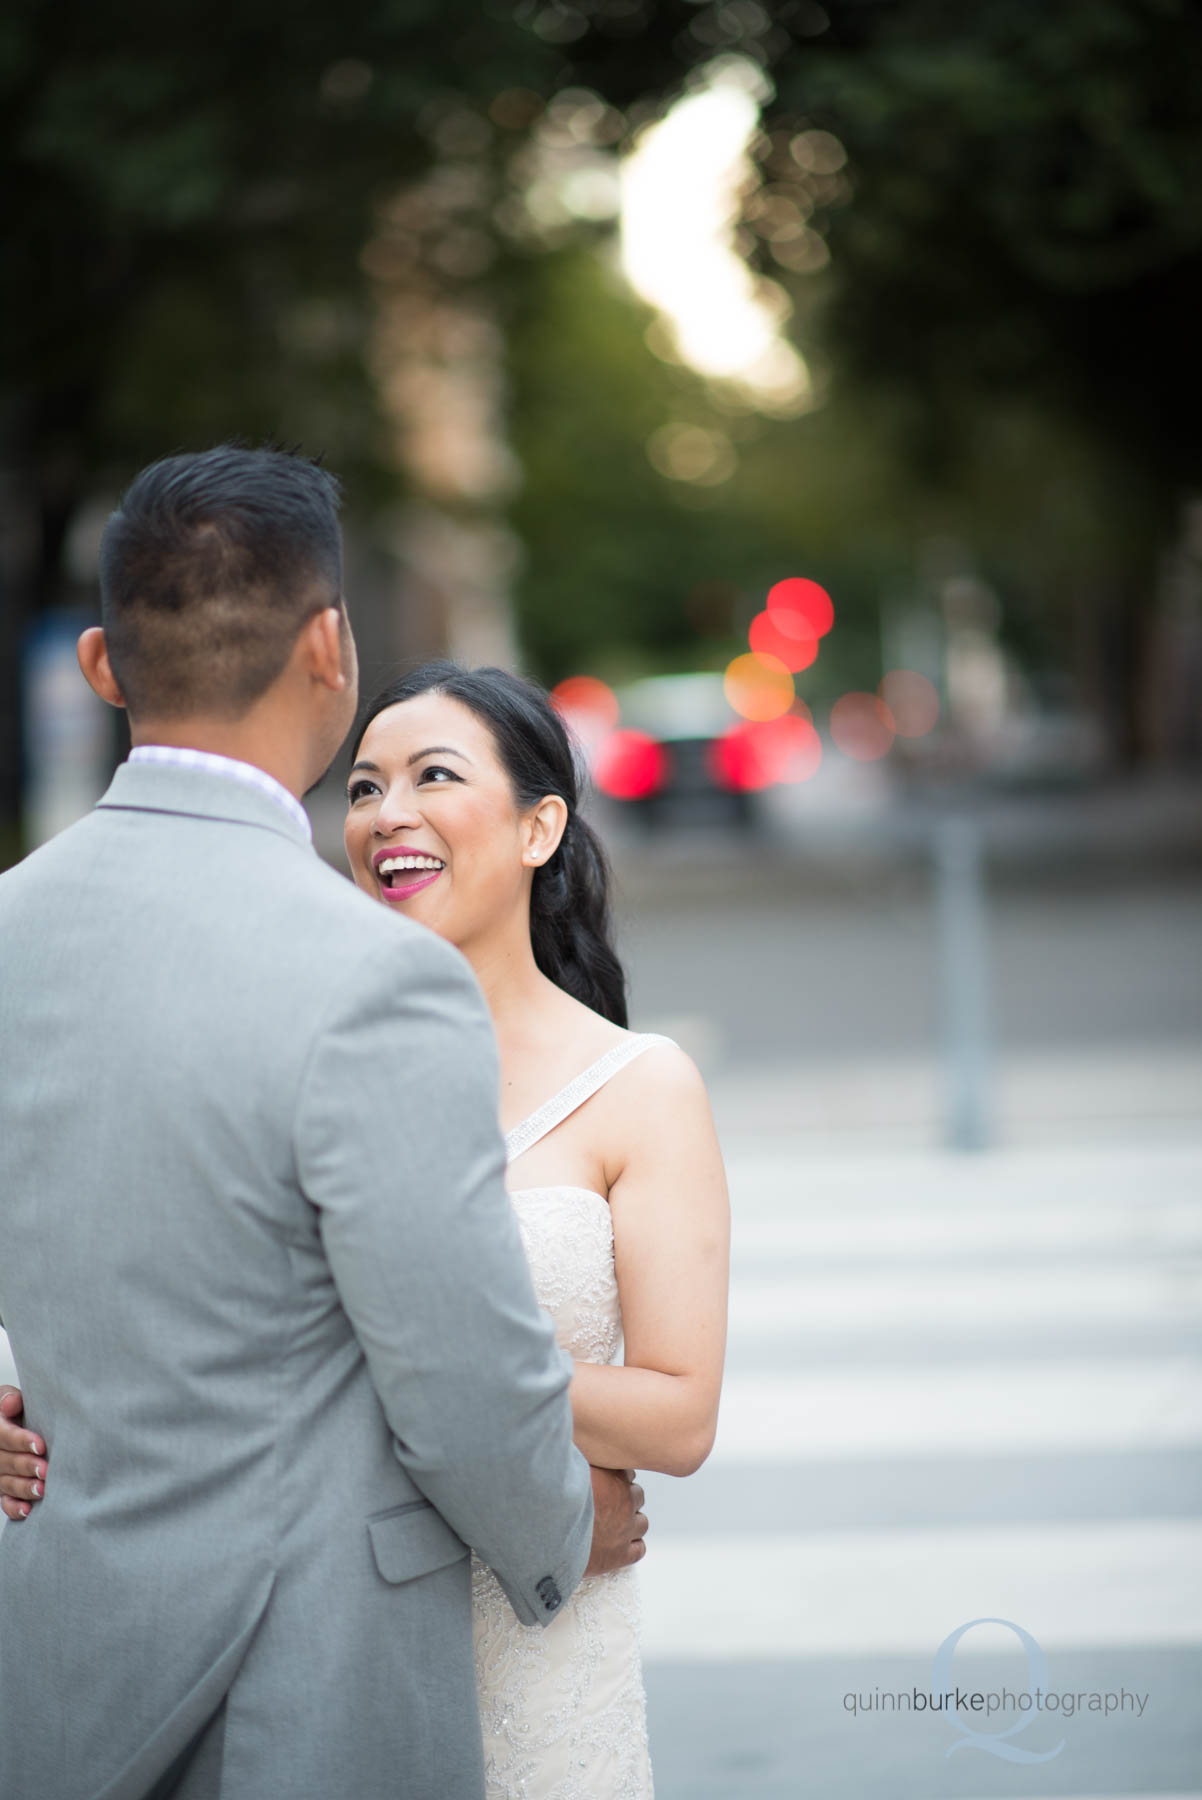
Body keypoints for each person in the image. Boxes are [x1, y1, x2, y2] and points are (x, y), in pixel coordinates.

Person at [0, 446, 646, 1800]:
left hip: (50, 1677)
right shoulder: (373, 976)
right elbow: (456, 1363)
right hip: (300, 1693)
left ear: (104, 664)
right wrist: (558, 1521)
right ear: (331, 648)